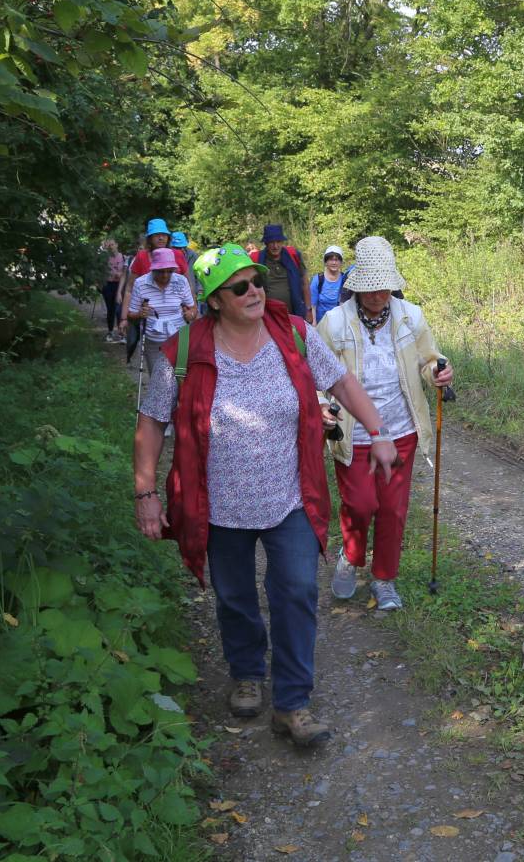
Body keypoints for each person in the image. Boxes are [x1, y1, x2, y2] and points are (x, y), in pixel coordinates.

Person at [133, 244, 397, 747]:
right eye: (240, 287)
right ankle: (247, 672)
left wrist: (378, 432)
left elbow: (341, 383)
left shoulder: (293, 335)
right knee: (235, 598)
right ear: (214, 300)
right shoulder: (184, 351)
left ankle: (293, 704)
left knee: (296, 592)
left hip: (290, 496)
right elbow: (151, 423)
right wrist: (146, 492)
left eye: (256, 282)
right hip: (219, 505)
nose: (255, 291)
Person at [316, 236, 453, 611]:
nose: (377, 294)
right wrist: (321, 406)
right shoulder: (334, 322)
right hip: (354, 433)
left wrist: (438, 373)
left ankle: (384, 580)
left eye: (384, 286)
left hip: (401, 429)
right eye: (370, 287)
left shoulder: (412, 316)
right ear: (357, 285)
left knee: (392, 509)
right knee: (360, 504)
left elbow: (429, 360)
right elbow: (316, 375)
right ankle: (350, 555)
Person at [125, 248, 195, 366]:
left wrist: (191, 314)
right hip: (153, 341)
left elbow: (193, 308)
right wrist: (140, 314)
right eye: (161, 271)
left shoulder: (181, 281)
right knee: (157, 377)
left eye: (169, 271)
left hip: (180, 337)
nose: (165, 275)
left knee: (180, 376)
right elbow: (130, 315)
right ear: (153, 269)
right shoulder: (141, 283)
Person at [250, 224, 310, 320]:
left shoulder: (293, 256)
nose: (275, 246)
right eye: (271, 242)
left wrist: (308, 310)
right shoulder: (257, 260)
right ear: (266, 243)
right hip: (268, 317)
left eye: (278, 241)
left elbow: (305, 283)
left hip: (295, 314)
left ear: (282, 242)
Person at [310, 245, 347, 321]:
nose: (334, 262)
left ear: (341, 262)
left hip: (338, 321)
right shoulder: (318, 279)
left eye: (336, 260)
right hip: (320, 322)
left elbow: (346, 304)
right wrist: (314, 323)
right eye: (330, 260)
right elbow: (313, 305)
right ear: (326, 262)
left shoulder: (344, 279)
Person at [101, 239, 126, 342]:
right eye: (109, 245)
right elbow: (100, 271)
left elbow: (125, 272)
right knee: (110, 310)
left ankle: (122, 334)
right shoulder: (105, 258)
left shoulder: (123, 257)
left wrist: (120, 275)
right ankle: (110, 332)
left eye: (112, 244)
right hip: (107, 285)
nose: (111, 246)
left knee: (119, 310)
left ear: (117, 245)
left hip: (119, 285)